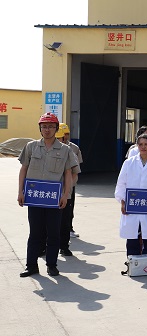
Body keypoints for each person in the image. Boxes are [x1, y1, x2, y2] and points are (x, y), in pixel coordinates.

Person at [18, 113, 79, 277]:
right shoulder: (31, 147)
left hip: (54, 199)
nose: (47, 130)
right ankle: (31, 266)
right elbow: (23, 169)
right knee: (35, 233)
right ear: (40, 128)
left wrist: (65, 195)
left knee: (53, 233)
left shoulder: (65, 150)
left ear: (56, 129)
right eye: (44, 126)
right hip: (34, 198)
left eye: (51, 126)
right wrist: (20, 191)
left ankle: (52, 265)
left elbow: (68, 173)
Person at [56, 124, 82, 256]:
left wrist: (68, 189)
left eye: (65, 135)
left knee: (65, 220)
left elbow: (75, 171)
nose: (64, 138)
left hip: (66, 189)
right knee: (47, 222)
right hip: (51, 190)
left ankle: (64, 246)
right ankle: (45, 246)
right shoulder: (40, 148)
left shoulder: (71, 150)